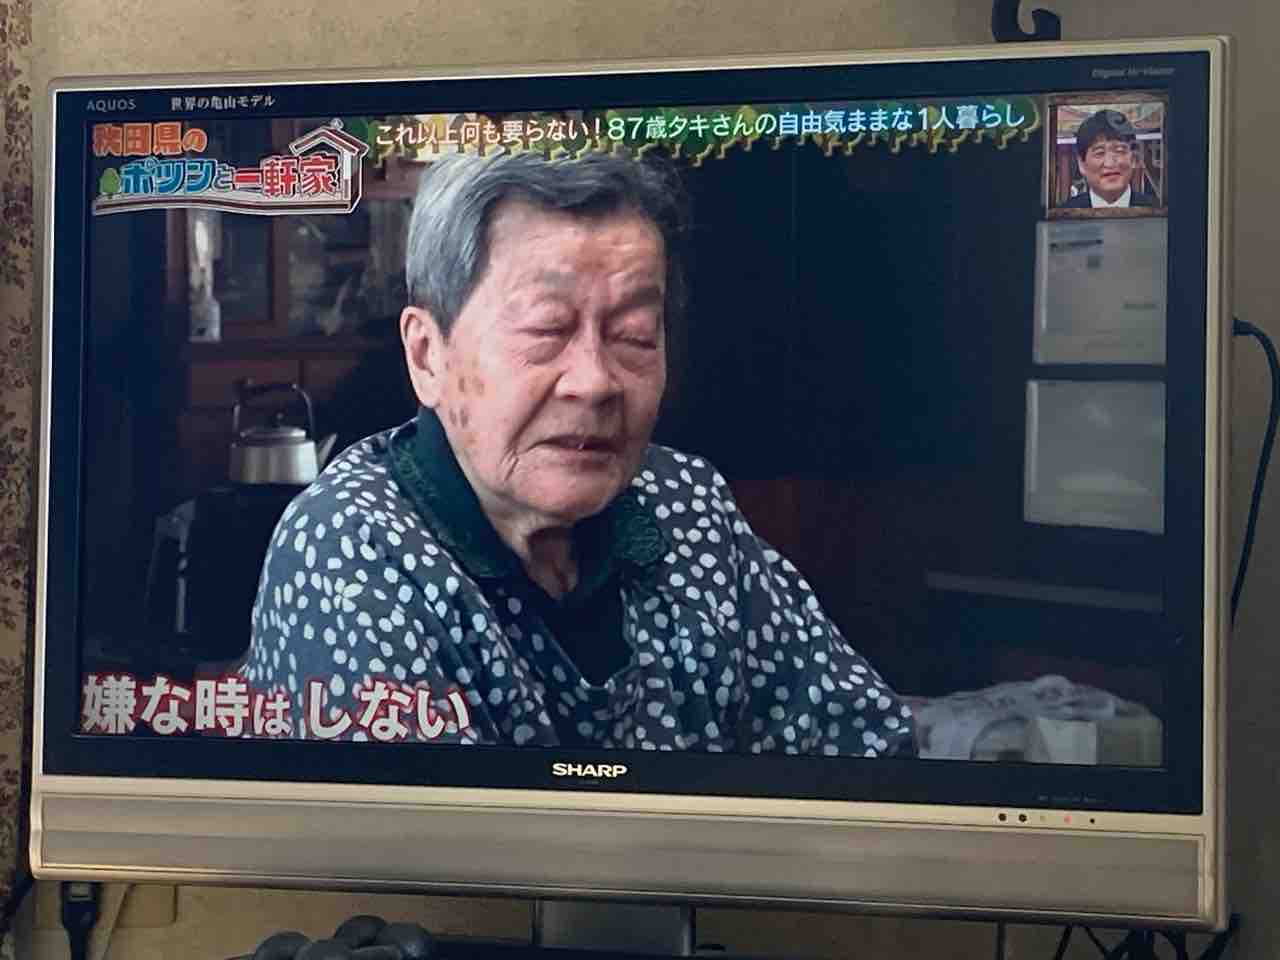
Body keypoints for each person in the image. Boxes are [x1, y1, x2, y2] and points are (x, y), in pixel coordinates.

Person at [240, 149, 915, 756]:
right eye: (546, 329)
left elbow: (867, 751)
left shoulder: (686, 504)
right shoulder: (348, 547)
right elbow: (439, 847)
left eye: (635, 334)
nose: (595, 382)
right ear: (427, 355)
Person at [1061, 109, 1159, 209]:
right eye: (1100, 153)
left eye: (1119, 151)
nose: (1110, 163)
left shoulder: (1157, 210)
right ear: (1082, 164)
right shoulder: (1063, 214)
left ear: (1133, 158)